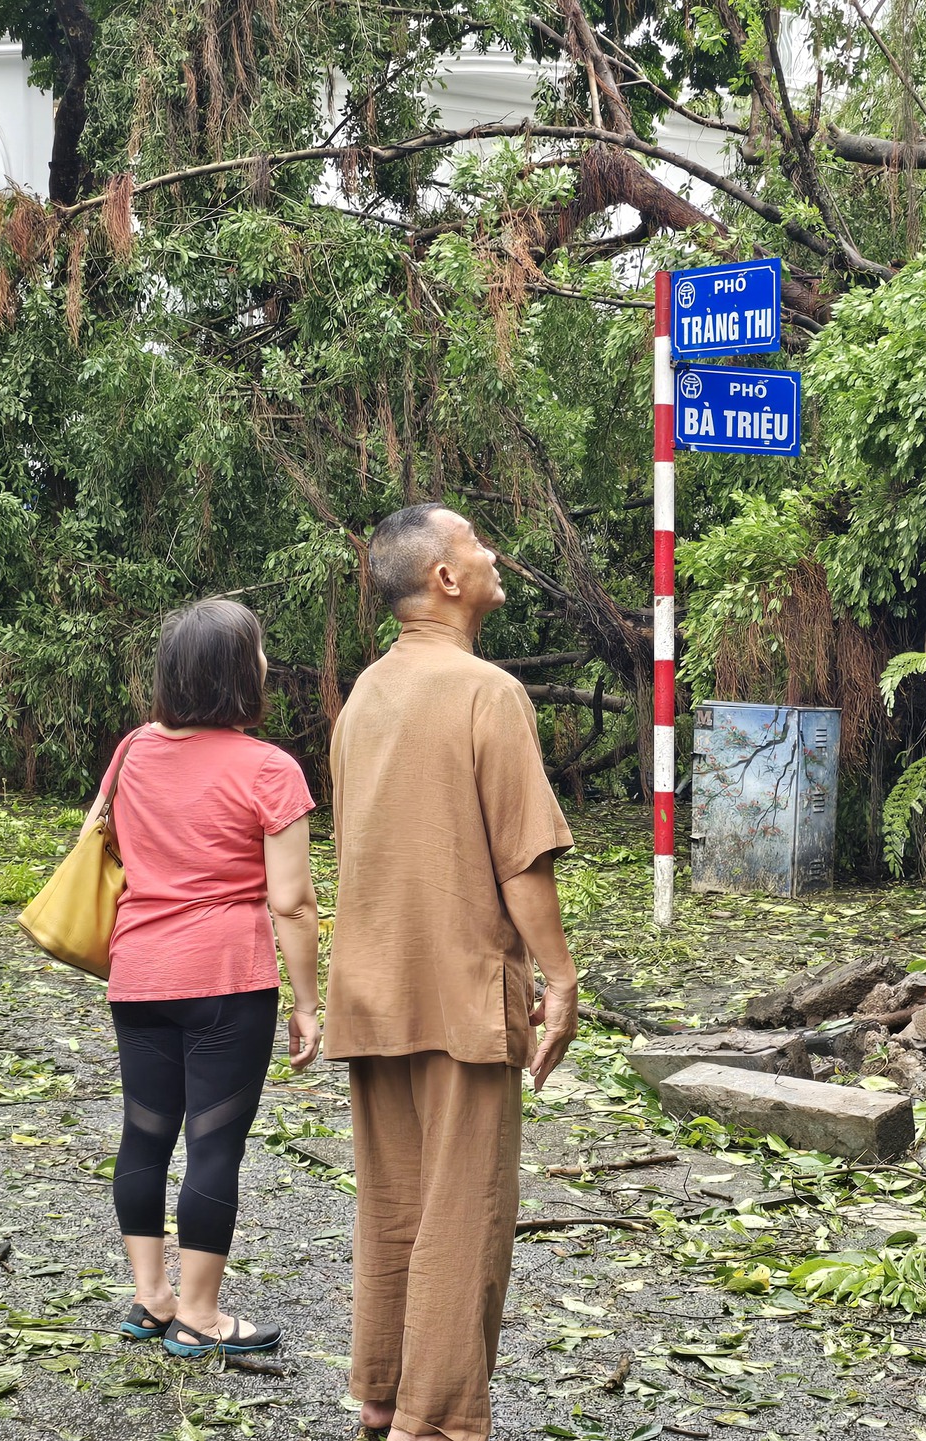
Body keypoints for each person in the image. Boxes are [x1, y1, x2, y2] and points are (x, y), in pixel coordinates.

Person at [326, 503, 578, 1441]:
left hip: (371, 983)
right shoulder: (488, 693)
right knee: (462, 1218)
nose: (492, 554)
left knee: (392, 1205)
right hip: (463, 990)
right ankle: (433, 1423)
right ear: (442, 577)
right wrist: (560, 978)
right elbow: (523, 861)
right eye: (475, 544)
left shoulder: (365, 695)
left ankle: (382, 1398)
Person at [95, 597, 320, 1360]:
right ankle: (201, 1313)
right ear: (237, 673)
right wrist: (309, 1003)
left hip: (139, 969)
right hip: (227, 976)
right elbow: (291, 900)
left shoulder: (131, 751)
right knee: (214, 1144)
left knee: (145, 1134)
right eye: (256, 652)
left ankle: (151, 1295)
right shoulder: (270, 768)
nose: (264, 663)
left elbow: (111, 843)